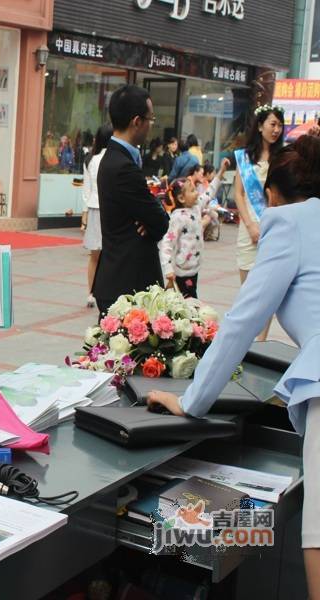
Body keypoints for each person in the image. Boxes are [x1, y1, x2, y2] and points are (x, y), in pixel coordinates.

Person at [147, 134, 320, 600]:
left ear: (273, 197)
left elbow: (243, 321)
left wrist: (192, 401)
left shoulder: (287, 222)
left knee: (319, 530)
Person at [91, 84, 169, 315]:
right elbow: (161, 221)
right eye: (150, 118)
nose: (151, 124)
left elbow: (152, 219)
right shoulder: (122, 166)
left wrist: (151, 218)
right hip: (126, 286)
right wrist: (154, 216)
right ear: (137, 121)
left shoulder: (117, 158)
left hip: (121, 280)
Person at [234, 105, 284, 341]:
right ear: (261, 125)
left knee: (269, 289)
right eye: (273, 124)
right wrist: (250, 225)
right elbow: (239, 193)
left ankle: (260, 342)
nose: (277, 129)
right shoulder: (245, 156)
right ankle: (245, 339)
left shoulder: (283, 157)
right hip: (248, 229)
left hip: (274, 228)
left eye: (279, 125)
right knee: (248, 291)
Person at [81, 124, 113, 308]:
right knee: (108, 254)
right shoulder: (113, 158)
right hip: (108, 210)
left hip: (93, 207)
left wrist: (84, 213)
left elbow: (87, 189)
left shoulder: (90, 160)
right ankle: (104, 291)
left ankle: (91, 293)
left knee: (95, 255)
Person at [158, 177, 203, 298]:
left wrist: (220, 175)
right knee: (189, 299)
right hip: (183, 271)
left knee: (189, 297)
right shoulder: (177, 217)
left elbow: (208, 195)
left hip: (193, 267)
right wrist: (168, 268)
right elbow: (166, 244)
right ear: (181, 198)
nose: (197, 193)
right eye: (193, 191)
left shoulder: (195, 208)